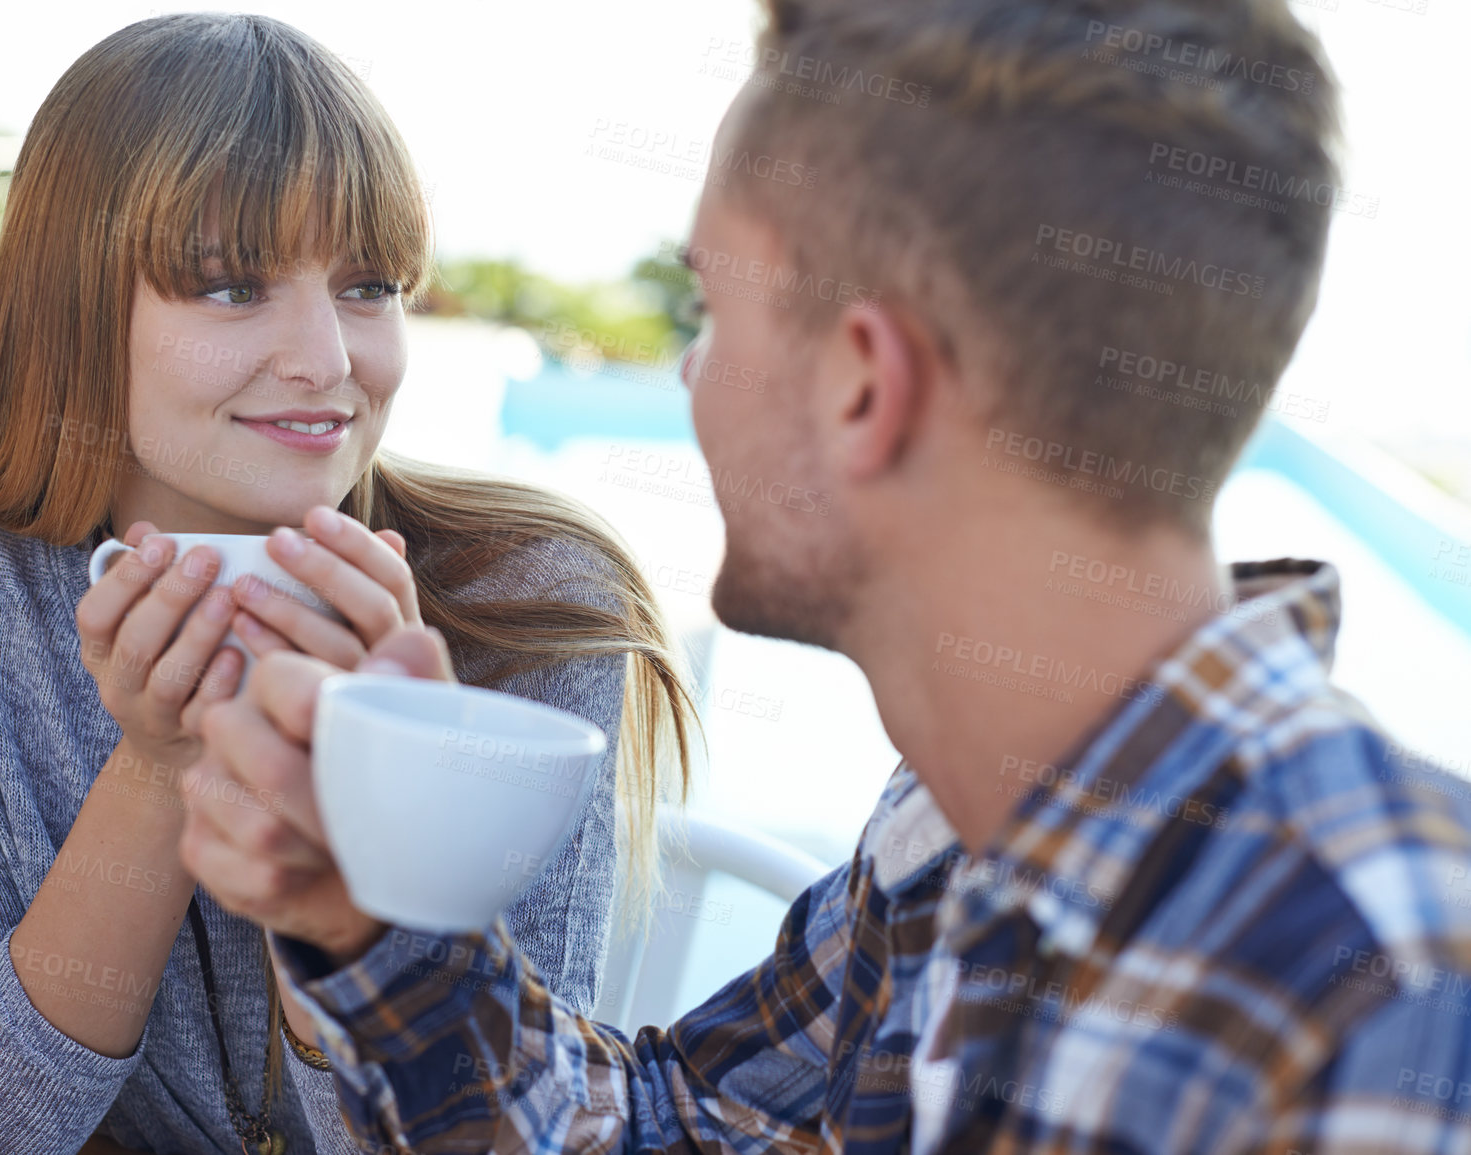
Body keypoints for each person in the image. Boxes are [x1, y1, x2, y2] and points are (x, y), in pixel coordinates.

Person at [181, 0, 1471, 1151]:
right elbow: (670, 1129)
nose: (689, 375)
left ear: (862, 385)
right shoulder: (957, 836)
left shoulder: (1387, 981)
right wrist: (360, 915)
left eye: (714, 319)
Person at [0, 14, 697, 1155]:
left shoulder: (540, 611)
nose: (330, 362)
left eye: (371, 286)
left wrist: (364, 791)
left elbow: (504, 1140)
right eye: (233, 287)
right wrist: (158, 767)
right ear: (70, 305)